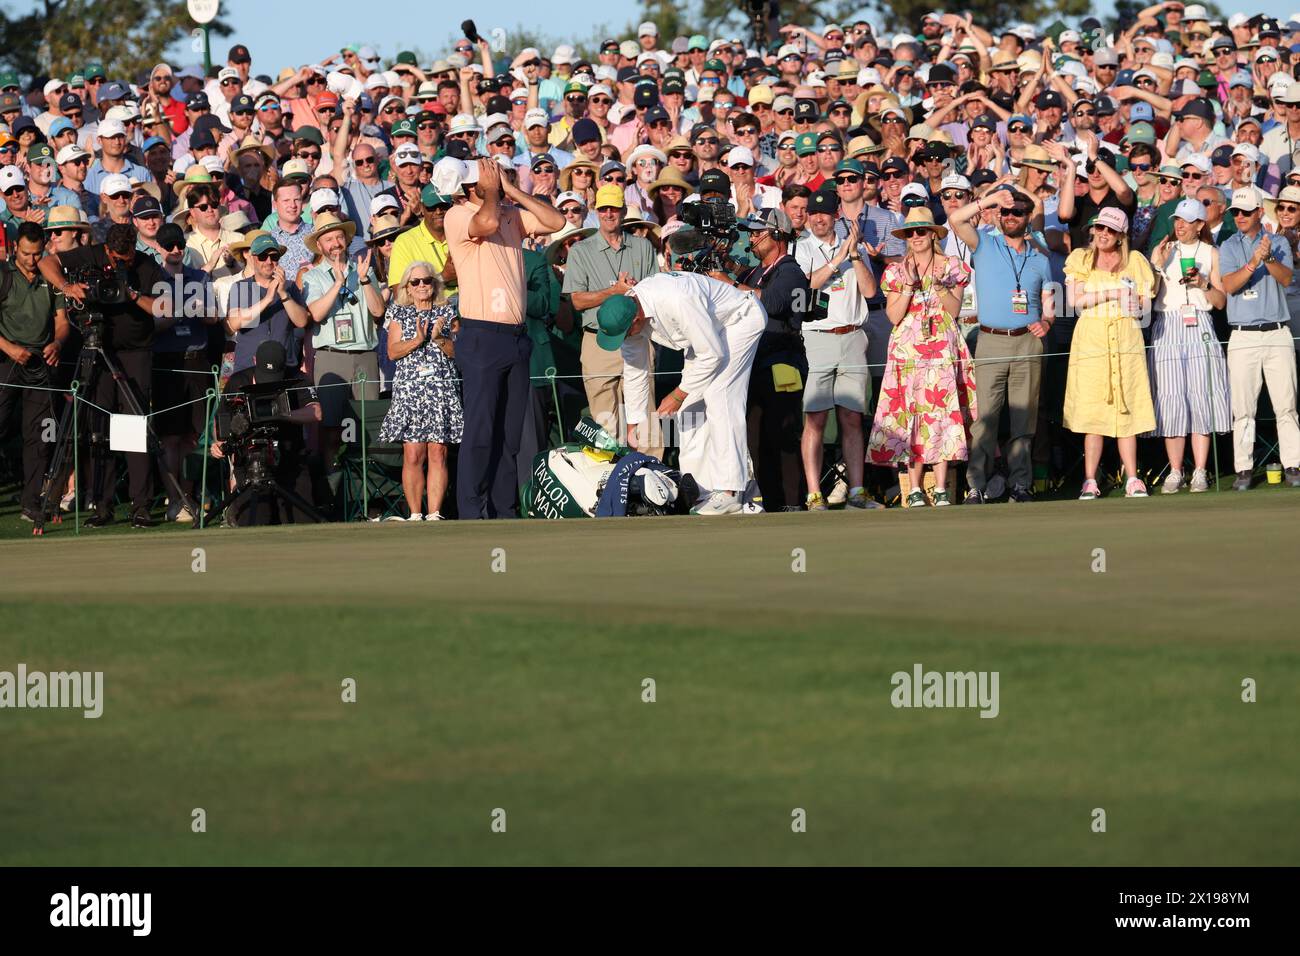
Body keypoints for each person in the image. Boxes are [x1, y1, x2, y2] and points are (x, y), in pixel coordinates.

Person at [442, 155, 564, 519]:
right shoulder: (459, 215)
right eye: (489, 174)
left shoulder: (507, 210)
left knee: (510, 435)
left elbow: (555, 221)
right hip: (481, 336)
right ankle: (471, 512)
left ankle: (503, 510)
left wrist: (510, 190)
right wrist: (495, 193)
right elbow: (488, 220)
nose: (496, 175)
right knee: (480, 431)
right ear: (471, 185)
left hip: (515, 337)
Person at [596, 270, 767, 515]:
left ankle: (730, 492)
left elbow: (713, 354)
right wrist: (634, 423)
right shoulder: (629, 316)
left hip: (740, 321)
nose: (625, 339)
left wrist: (678, 394)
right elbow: (635, 371)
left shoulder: (676, 299)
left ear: (635, 320)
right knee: (689, 412)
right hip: (706, 337)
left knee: (721, 395)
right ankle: (701, 492)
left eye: (625, 334)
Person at [50, 223, 172, 526]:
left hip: (135, 354)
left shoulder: (146, 265)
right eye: (118, 258)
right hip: (97, 349)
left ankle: (140, 505)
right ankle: (101, 505)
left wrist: (132, 295)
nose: (123, 263)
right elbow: (47, 261)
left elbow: (165, 308)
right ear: (107, 250)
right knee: (97, 430)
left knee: (132, 429)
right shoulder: (89, 254)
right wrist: (66, 286)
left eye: (128, 258)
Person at [948, 187, 1054, 504]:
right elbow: (955, 218)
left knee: (1024, 420)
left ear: (1027, 218)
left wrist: (1047, 322)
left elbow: (1049, 303)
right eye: (1005, 212)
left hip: (1028, 342)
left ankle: (1021, 484)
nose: (1009, 217)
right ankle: (976, 486)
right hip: (991, 340)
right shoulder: (985, 244)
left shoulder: (1040, 259)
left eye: (1017, 212)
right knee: (986, 419)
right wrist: (991, 200)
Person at [867, 207, 977, 508]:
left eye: (922, 231)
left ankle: (941, 487)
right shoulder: (896, 271)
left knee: (941, 413)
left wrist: (940, 288)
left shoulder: (950, 265)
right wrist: (909, 285)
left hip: (942, 344)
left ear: (932, 234)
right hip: (908, 349)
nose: (916, 237)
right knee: (911, 414)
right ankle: (914, 487)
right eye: (911, 232)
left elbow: (954, 312)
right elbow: (893, 315)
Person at [793, 189, 882, 511]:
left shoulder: (853, 249)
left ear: (836, 216)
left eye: (825, 213)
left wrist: (855, 254)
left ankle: (857, 491)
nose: (818, 219)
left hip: (853, 336)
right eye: (813, 214)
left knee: (851, 417)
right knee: (815, 418)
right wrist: (837, 259)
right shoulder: (801, 248)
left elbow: (871, 291)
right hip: (817, 338)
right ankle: (814, 493)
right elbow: (807, 286)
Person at [1063, 207, 1158, 500]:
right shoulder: (1080, 258)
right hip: (1092, 340)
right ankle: (1090, 480)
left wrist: (1136, 306)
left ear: (1121, 236)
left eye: (1110, 230)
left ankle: (1132, 477)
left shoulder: (1136, 262)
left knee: (1126, 407)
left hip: (1126, 339)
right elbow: (1074, 302)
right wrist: (1114, 293)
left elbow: (1145, 306)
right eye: (1100, 228)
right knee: (1093, 412)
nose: (1103, 234)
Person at [563, 183, 660, 455]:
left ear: (622, 210)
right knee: (604, 419)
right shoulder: (581, 251)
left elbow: (655, 293)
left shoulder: (642, 247)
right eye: (603, 208)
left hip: (637, 336)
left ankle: (652, 480)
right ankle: (608, 484)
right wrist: (613, 292)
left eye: (614, 208)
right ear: (596, 211)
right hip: (597, 340)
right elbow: (577, 300)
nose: (608, 214)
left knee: (645, 413)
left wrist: (632, 293)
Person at [1146, 200, 1232, 494]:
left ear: (1200, 224)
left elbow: (1220, 302)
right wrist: (1156, 266)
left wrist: (1204, 284)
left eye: (1186, 220)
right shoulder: (1164, 249)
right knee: (1170, 398)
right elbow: (1149, 295)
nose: (1180, 225)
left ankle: (1199, 470)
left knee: (1201, 397)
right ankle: (1175, 470)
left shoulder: (1211, 253)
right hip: (1167, 324)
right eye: (1177, 220)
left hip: (1200, 324)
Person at [1218, 187, 1300, 489]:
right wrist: (1254, 261)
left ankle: (1293, 464)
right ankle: (1244, 469)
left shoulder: (1277, 242)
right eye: (1235, 213)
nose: (1239, 217)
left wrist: (1267, 259)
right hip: (1242, 334)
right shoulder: (1227, 246)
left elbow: (1287, 277)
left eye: (1244, 212)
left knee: (1286, 405)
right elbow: (1229, 285)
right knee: (1243, 409)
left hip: (1277, 331)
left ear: (1257, 214)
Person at [302, 213, 386, 474]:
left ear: (348, 239)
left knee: (368, 424)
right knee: (331, 429)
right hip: (331, 357)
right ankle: (333, 491)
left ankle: (368, 490)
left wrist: (362, 280)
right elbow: (315, 314)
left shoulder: (364, 270)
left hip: (364, 355)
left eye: (339, 236)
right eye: (328, 239)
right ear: (319, 245)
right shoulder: (312, 277)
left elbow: (378, 311)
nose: (335, 243)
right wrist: (337, 283)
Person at [379, 261, 463, 521]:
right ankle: (415, 514)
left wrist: (438, 338)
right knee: (413, 452)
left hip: (441, 389)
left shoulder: (447, 312)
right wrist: (417, 340)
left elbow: (458, 354)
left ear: (435, 284)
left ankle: (434, 513)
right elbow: (392, 352)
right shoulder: (398, 313)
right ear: (407, 287)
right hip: (410, 391)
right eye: (415, 282)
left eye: (427, 280)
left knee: (438, 452)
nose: (422, 286)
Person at [0, 222, 70, 522]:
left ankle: (31, 502)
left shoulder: (50, 276)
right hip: (7, 359)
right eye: (26, 253)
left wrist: (57, 342)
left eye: (37, 253)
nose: (31, 260)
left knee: (40, 435)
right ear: (16, 247)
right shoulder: (3, 275)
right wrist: (9, 348)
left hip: (42, 363)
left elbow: (62, 320)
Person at [150, 222, 218, 522]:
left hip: (197, 360)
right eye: (169, 246)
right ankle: (174, 497)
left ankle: (188, 497)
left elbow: (214, 317)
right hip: (167, 361)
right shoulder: (153, 279)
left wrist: (200, 309)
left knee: (194, 435)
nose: (176, 250)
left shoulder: (200, 277)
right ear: (159, 248)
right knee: (170, 438)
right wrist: (180, 306)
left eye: (179, 244)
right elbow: (151, 325)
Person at [213, 340, 322, 526]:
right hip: (250, 461)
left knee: (304, 522)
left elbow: (316, 412)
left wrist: (282, 414)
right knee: (254, 522)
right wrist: (219, 444)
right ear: (254, 360)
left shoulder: (298, 378)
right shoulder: (238, 381)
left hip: (290, 459)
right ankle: (236, 510)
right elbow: (221, 419)